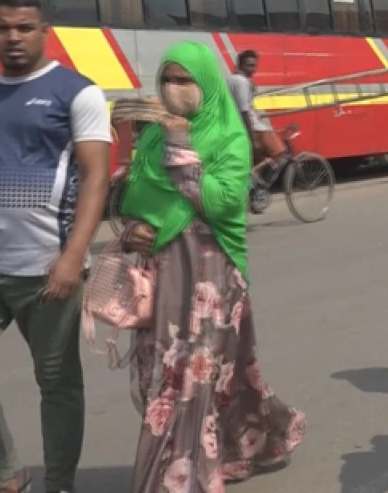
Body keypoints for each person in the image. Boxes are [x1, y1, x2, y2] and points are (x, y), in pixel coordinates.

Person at [0, 0, 111, 493]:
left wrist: (72, 258)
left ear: (44, 31)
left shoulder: (77, 93)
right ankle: (6, 475)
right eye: (1, 27)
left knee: (58, 385)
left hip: (48, 266)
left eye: (23, 27)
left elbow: (97, 178)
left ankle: (59, 482)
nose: (13, 37)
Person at [120, 41, 304, 492]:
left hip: (210, 276)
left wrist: (181, 145)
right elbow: (134, 195)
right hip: (161, 270)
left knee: (186, 379)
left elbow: (222, 202)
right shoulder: (150, 136)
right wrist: (134, 229)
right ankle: (247, 443)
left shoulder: (228, 136)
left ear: (205, 84)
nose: (172, 89)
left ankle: (178, 480)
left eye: (184, 81)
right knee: (193, 374)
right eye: (167, 78)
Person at [227, 50, 283, 170]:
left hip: (240, 126)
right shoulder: (242, 82)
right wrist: (253, 138)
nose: (253, 69)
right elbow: (244, 110)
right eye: (249, 66)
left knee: (258, 160)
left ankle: (257, 180)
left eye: (254, 66)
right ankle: (258, 179)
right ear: (241, 65)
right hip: (255, 128)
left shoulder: (231, 79)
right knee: (279, 153)